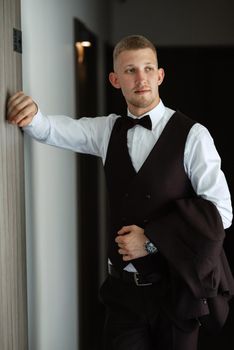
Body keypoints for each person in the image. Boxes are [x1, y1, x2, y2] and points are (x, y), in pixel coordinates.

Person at [7, 34, 234, 350]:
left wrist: (152, 240)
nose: (140, 78)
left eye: (147, 68)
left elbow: (221, 212)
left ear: (160, 75)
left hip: (176, 289)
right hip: (123, 294)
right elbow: (50, 129)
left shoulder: (193, 135)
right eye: (130, 71)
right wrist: (30, 114)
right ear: (115, 79)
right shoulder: (106, 130)